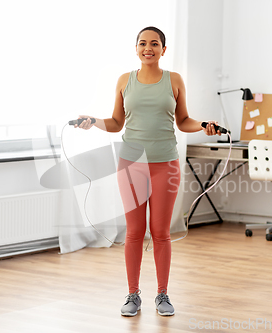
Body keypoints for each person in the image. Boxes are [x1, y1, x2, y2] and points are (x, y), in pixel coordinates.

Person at [74, 26, 222, 317]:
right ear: (137, 48)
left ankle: (163, 295)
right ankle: (132, 295)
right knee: (134, 232)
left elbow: (183, 121)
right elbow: (117, 122)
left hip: (165, 164)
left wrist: (204, 126)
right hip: (131, 164)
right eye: (143, 43)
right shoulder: (124, 81)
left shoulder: (174, 80)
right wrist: (94, 121)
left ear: (164, 50)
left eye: (154, 43)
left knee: (161, 233)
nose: (148, 48)